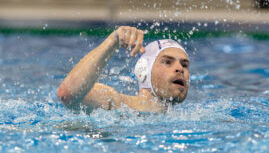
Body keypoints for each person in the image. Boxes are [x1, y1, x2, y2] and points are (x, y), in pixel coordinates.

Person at [57, 26, 190, 112]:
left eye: (184, 64)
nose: (180, 69)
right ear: (144, 71)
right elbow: (67, 94)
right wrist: (113, 42)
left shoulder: (186, 117)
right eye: (167, 62)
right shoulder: (117, 104)